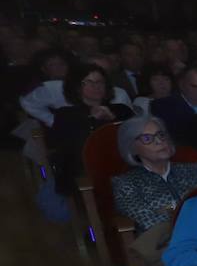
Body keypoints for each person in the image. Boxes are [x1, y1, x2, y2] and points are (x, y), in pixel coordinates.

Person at [110, 114, 197, 239]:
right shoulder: (126, 183)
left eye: (161, 135)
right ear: (132, 148)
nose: (159, 141)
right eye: (147, 138)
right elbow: (149, 221)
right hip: (167, 246)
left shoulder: (196, 170)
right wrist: (180, 206)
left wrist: (166, 208)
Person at [49, 64, 135, 194]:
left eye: (100, 81)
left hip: (126, 167)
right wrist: (92, 121)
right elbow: (71, 149)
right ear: (77, 87)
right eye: (88, 82)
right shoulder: (65, 115)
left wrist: (112, 120)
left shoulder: (122, 110)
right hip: (88, 174)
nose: (96, 86)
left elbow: (137, 138)